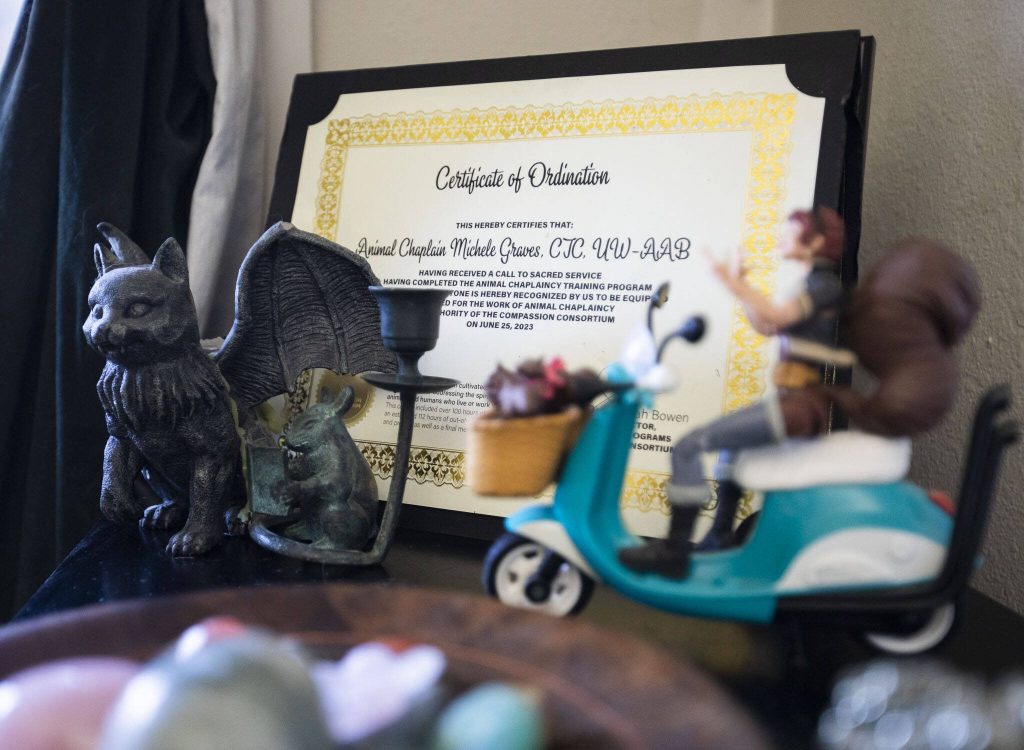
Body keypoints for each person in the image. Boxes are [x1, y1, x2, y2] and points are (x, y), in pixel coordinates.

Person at [619, 206, 852, 578]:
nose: (781, 238)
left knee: (689, 445)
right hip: (790, 399)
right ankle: (719, 534)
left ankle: (675, 551)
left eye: (790, 231)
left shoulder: (824, 286)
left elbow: (778, 317)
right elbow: (765, 324)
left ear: (818, 242)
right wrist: (743, 288)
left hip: (801, 404)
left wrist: (731, 282)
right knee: (729, 448)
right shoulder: (809, 284)